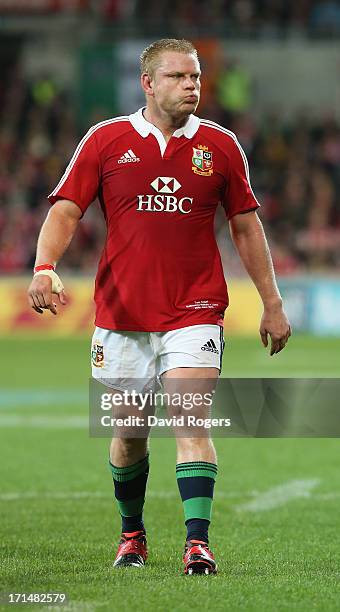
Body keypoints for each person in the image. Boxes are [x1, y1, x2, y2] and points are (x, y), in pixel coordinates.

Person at [28, 38, 291, 575]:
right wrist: (44, 265)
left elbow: (245, 225)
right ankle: (133, 536)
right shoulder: (106, 140)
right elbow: (66, 210)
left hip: (194, 309)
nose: (192, 85)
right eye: (178, 77)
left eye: (195, 77)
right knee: (128, 433)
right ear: (148, 83)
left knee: (191, 419)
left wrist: (272, 301)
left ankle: (198, 543)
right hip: (122, 314)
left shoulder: (219, 145)